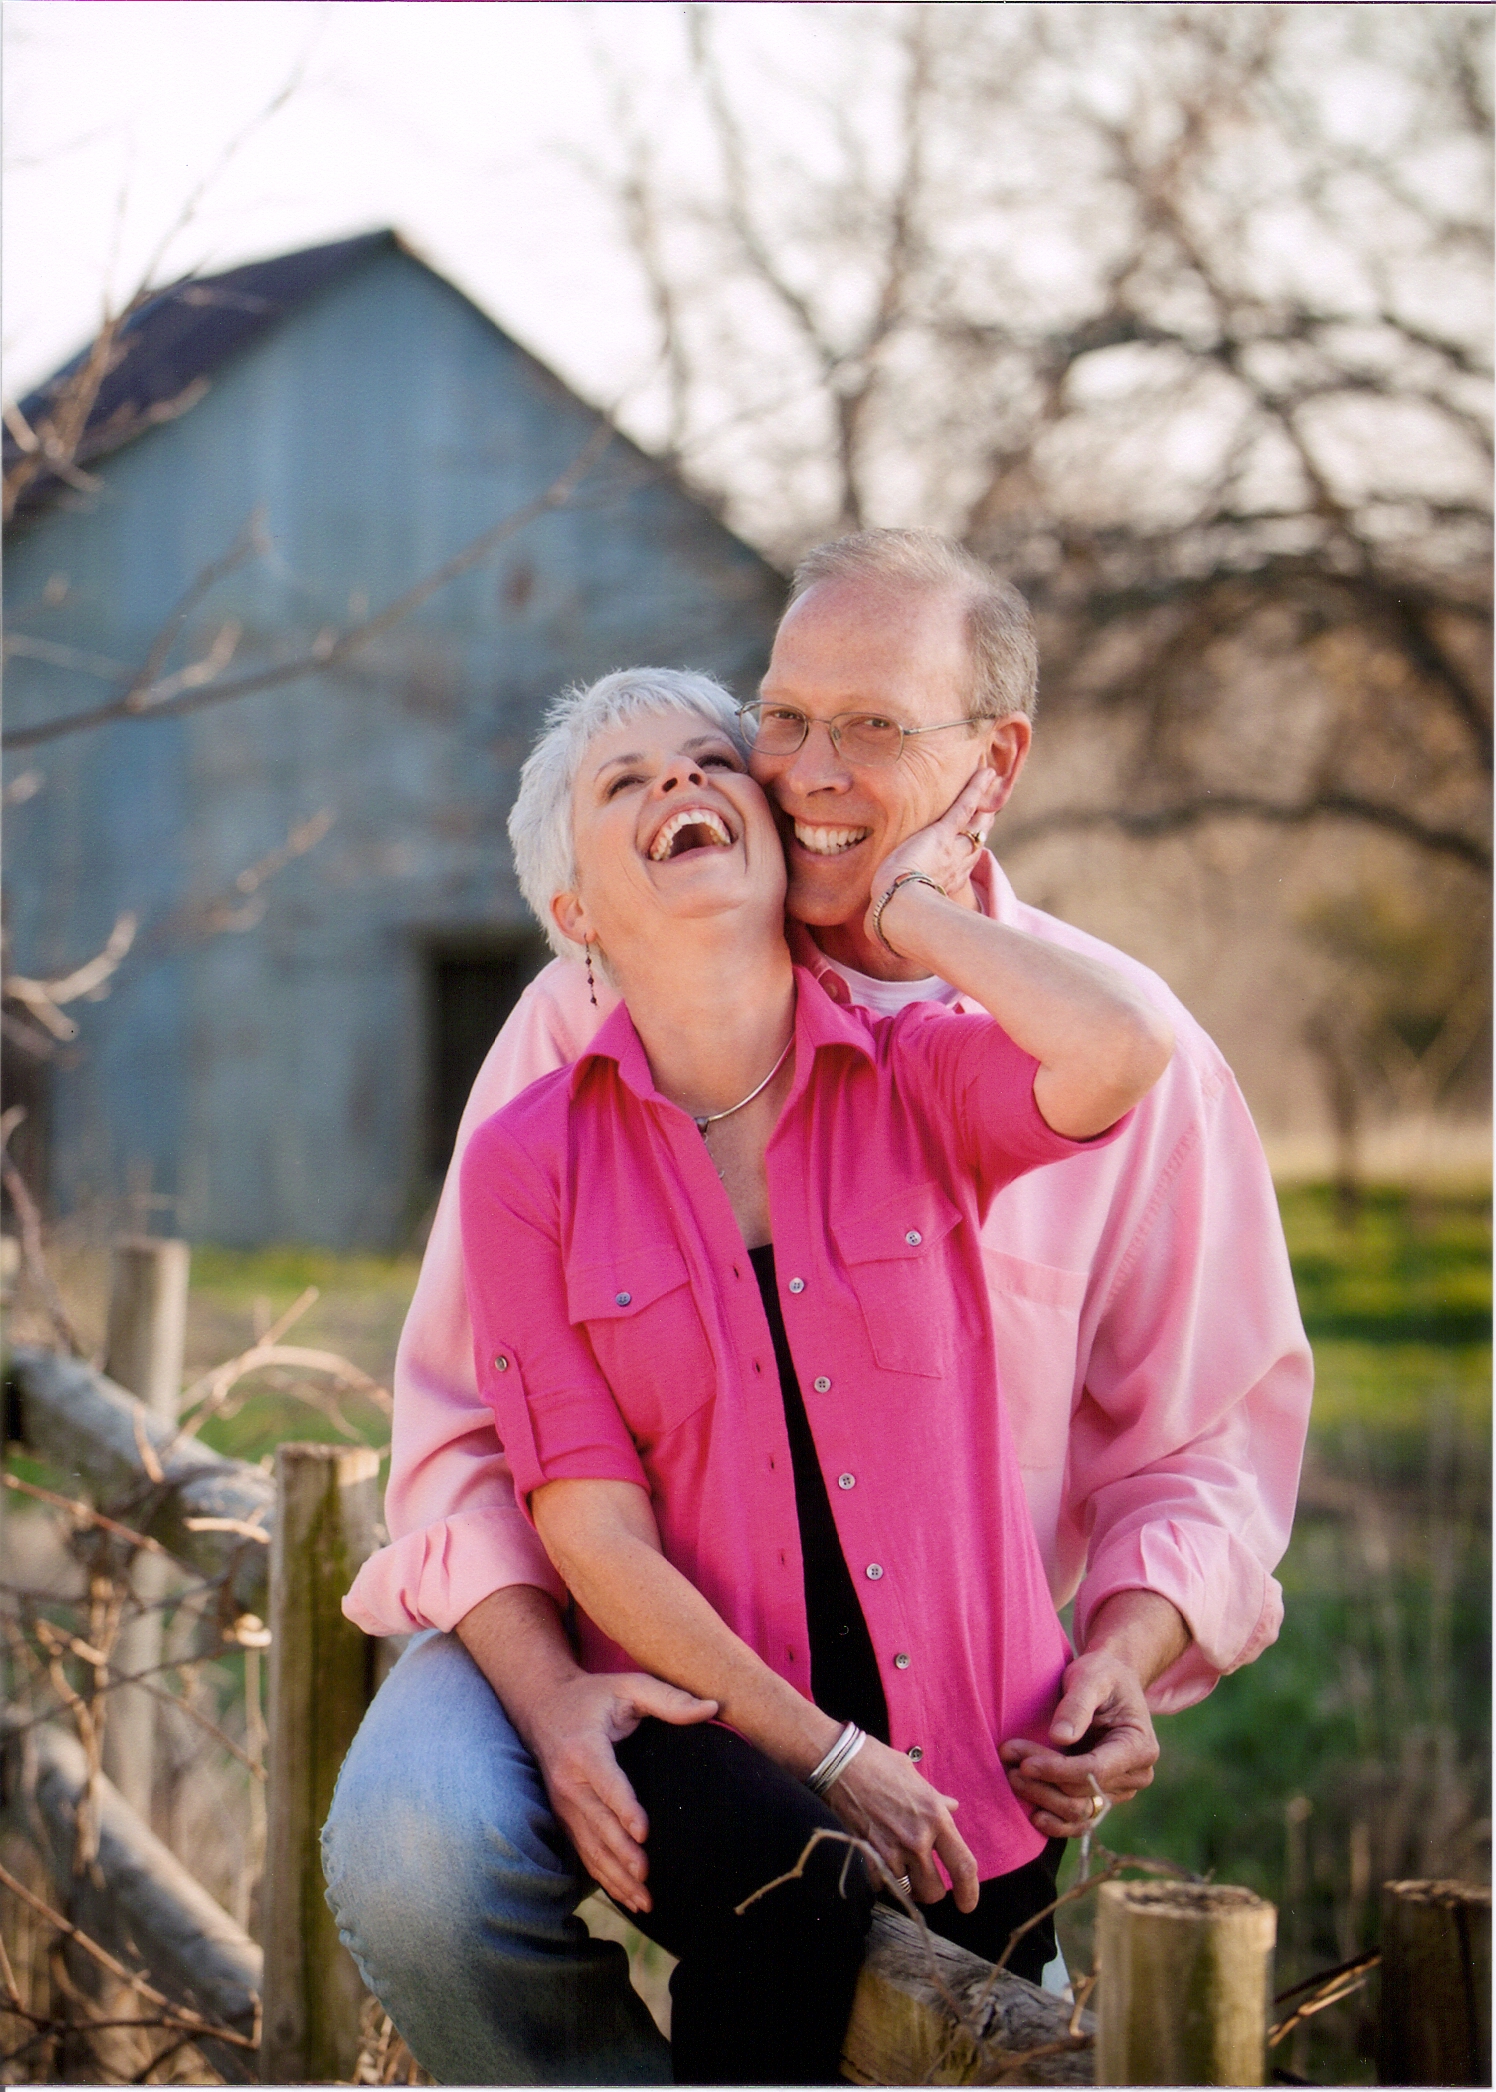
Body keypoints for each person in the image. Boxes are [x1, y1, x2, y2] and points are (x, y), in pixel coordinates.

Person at [326, 532, 1312, 2086]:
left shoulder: (1059, 1053)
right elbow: (465, 1444)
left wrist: (1128, 1643)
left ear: (996, 763)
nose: (806, 771)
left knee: (958, 2008)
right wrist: (557, 1694)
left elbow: (1206, 1447)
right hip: (603, 1625)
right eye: (783, 717)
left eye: (872, 727)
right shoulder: (577, 1033)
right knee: (414, 1853)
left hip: (955, 1682)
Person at [449, 666, 1171, 2082]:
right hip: (721, 1736)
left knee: (1016, 2043)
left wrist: (900, 905)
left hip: (984, 1760)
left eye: (714, 762)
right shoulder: (529, 1163)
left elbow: (1121, 1046)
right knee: (800, 1889)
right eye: (626, 782)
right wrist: (830, 1756)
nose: (683, 787)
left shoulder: (916, 1076)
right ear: (574, 914)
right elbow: (588, 1524)